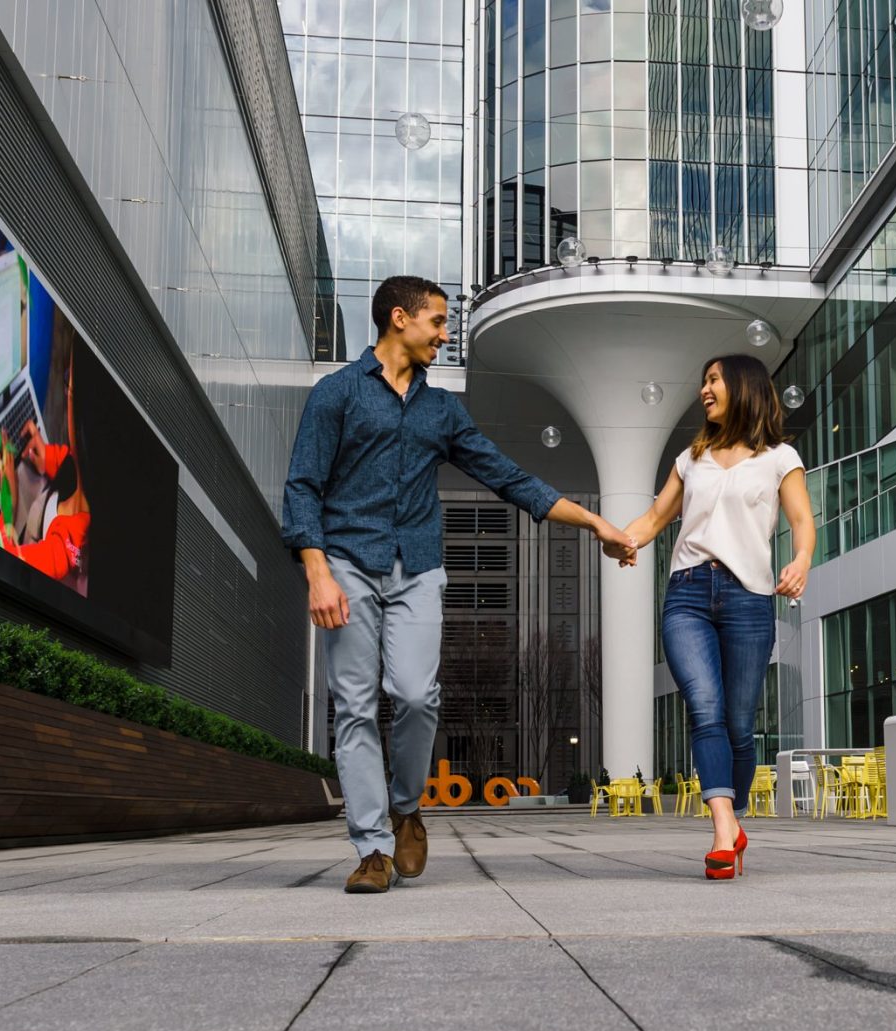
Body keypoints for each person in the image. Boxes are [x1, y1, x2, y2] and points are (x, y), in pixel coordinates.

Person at [282, 275, 639, 894]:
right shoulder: (335, 395)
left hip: (417, 567)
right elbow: (302, 488)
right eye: (439, 322)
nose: (446, 335)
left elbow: (507, 476)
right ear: (400, 318)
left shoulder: (441, 410)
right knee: (356, 709)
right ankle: (370, 848)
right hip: (345, 563)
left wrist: (595, 523)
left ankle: (405, 806)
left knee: (418, 696)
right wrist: (317, 573)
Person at [619, 356, 816, 880]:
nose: (704, 388)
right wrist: (626, 538)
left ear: (744, 386)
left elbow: (801, 520)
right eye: (703, 380)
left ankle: (734, 818)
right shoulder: (692, 458)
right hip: (687, 594)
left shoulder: (779, 458)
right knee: (703, 708)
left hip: (749, 598)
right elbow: (657, 517)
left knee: (738, 725)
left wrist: (800, 561)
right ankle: (722, 829)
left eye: (713, 379)